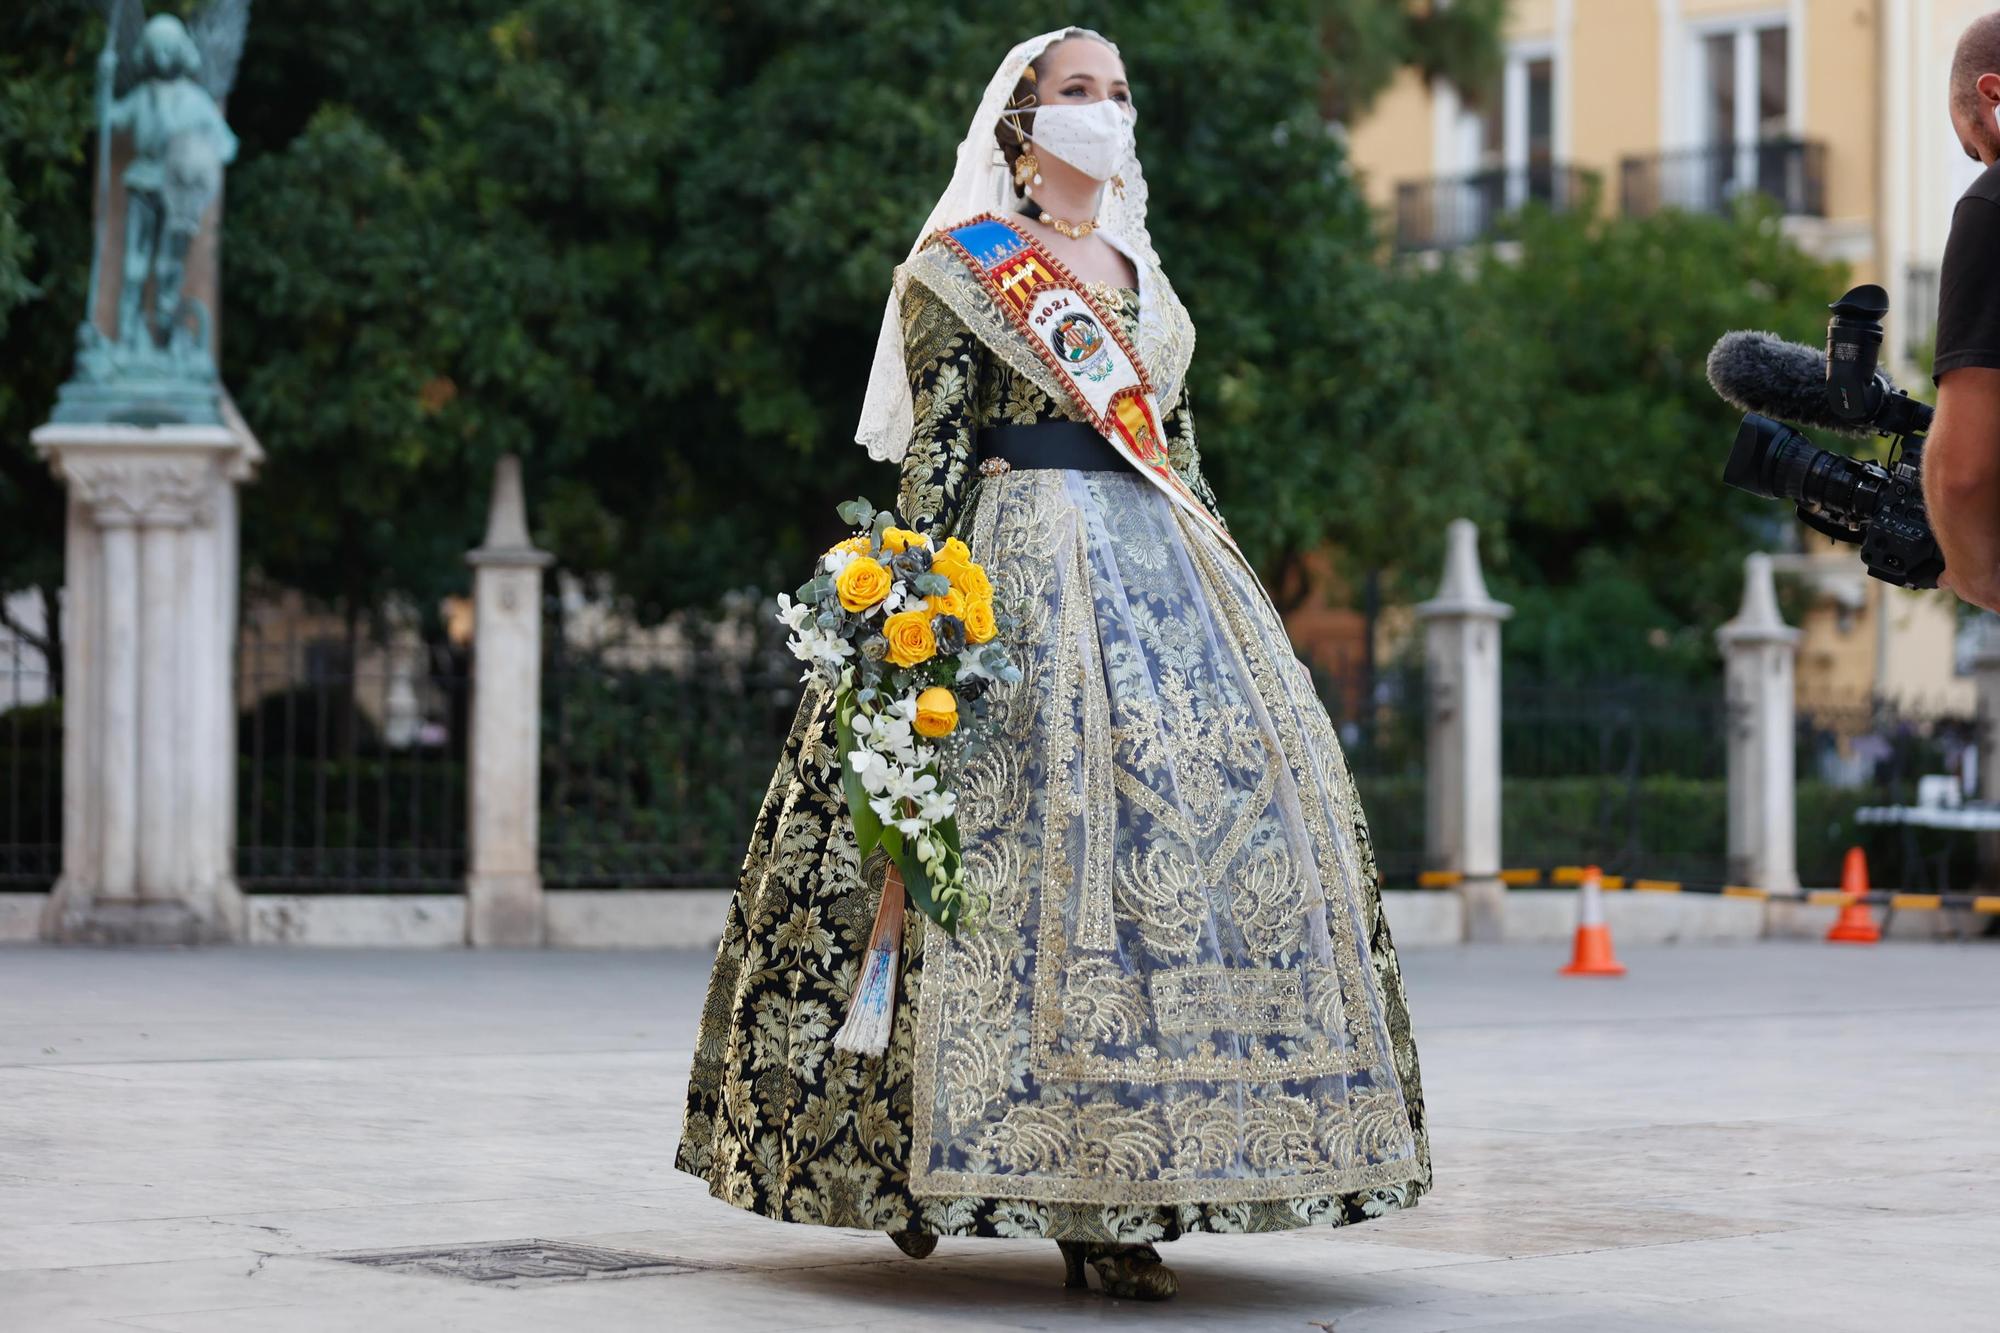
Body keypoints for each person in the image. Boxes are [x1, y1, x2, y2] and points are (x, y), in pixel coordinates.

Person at [673, 27, 1431, 1301]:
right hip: (1012, 578)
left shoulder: (1148, 280)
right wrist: (902, 628)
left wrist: (1237, 600)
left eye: (1121, 91)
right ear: (1020, 123)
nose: (1107, 111)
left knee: (1171, 870)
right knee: (985, 864)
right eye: (1081, 92)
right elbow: (935, 462)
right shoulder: (961, 272)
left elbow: (1176, 459)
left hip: (1168, 585)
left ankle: (1121, 1189)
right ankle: (921, 1163)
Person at [1926, 13, 2000, 612]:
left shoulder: (1992, 205)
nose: (1983, 165)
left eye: (1976, 147)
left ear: (1993, 96)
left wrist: (1977, 577)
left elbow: (1964, 475)